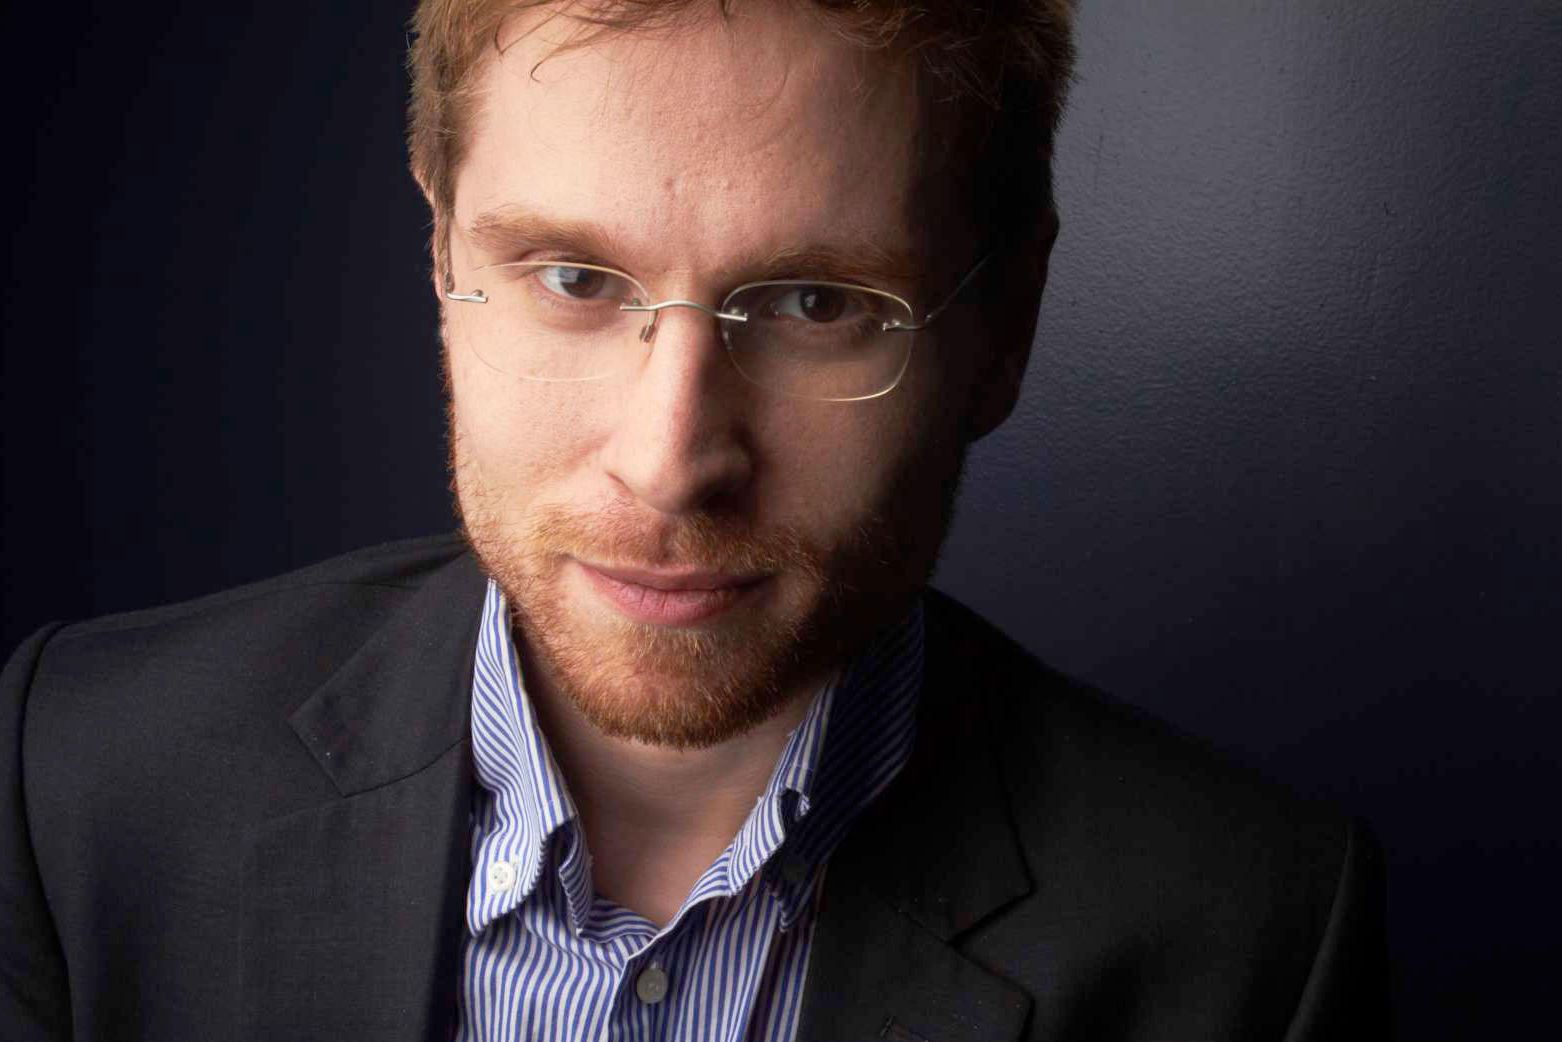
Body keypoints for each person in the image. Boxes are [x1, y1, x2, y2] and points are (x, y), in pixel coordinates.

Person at [2, 1, 1389, 1039]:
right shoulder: (72, 781)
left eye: (816, 304)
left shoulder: (1254, 933)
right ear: (440, 256)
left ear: (1002, 324)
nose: (670, 464)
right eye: (572, 278)